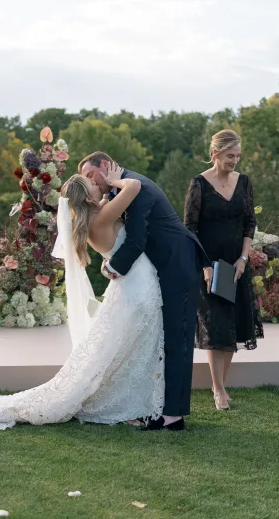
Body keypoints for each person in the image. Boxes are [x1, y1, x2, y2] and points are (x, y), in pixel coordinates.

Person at [0, 164, 166, 430]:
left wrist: (105, 194)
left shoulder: (95, 220)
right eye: (95, 184)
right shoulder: (102, 218)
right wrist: (118, 180)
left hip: (131, 289)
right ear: (88, 196)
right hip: (136, 290)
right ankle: (124, 405)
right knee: (130, 350)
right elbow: (134, 186)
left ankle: (131, 403)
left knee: (125, 350)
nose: (101, 183)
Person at [79, 152, 212, 431]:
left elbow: (137, 239)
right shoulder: (121, 187)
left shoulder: (134, 186)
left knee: (178, 338)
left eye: (91, 175)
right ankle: (155, 405)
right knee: (164, 339)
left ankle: (173, 416)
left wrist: (113, 269)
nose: (91, 181)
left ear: (106, 166)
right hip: (163, 269)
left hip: (178, 264)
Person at [184, 129, 264, 411]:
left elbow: (249, 223)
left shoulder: (244, 182)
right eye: (230, 155)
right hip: (209, 266)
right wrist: (205, 265)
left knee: (232, 325)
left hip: (236, 267)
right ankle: (218, 390)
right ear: (215, 153)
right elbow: (190, 229)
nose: (235, 160)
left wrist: (244, 258)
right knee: (215, 324)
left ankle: (222, 385)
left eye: (238, 156)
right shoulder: (199, 184)